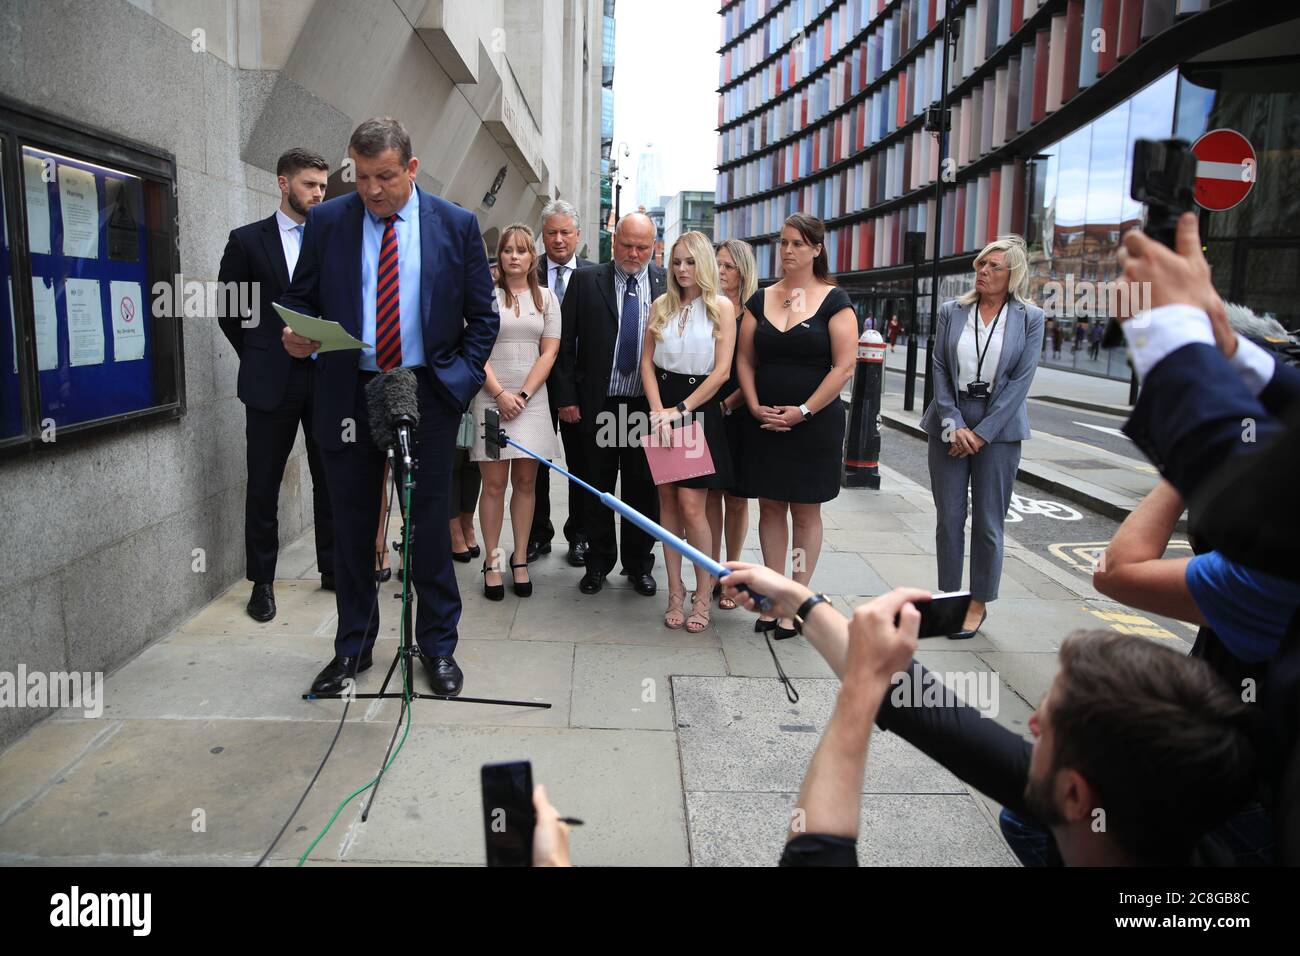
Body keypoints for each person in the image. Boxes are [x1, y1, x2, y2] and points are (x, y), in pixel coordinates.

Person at [720, 563, 1262, 866]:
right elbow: (934, 718)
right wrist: (802, 603)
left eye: (1046, 726)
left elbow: (818, 856)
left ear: (1075, 796)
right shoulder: (1166, 825)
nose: (1030, 725)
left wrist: (858, 693)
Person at [279, 117, 497, 698]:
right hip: (348, 388)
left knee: (428, 528)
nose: (373, 189)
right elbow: (300, 301)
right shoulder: (328, 222)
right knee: (351, 527)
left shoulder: (455, 225)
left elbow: (484, 319)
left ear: (412, 168)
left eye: (386, 176)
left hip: (427, 391)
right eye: (362, 175)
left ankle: (438, 648)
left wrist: (455, 385)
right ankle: (352, 648)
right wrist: (299, 337)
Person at [217, 148, 335, 623]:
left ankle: (333, 569)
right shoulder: (246, 241)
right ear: (283, 184)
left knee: (330, 476)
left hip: (325, 375)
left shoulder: (332, 239)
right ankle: (262, 583)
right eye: (310, 185)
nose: (319, 194)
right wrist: (262, 353)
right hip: (270, 381)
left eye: (324, 186)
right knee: (263, 482)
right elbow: (230, 310)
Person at [736, 214, 856, 639]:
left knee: (805, 513)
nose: (788, 252)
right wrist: (753, 406)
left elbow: (843, 368)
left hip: (813, 425)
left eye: (798, 245)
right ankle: (773, 597)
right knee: (770, 507)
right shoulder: (761, 299)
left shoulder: (835, 300)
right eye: (783, 243)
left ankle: (798, 601)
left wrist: (803, 410)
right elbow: (745, 360)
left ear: (816, 250)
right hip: (765, 422)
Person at [919, 235, 1044, 638]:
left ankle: (977, 603)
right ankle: (950, 598)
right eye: (981, 265)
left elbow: (1020, 382)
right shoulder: (952, 311)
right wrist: (955, 425)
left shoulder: (1030, 318)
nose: (984, 272)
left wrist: (983, 433)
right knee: (949, 518)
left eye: (994, 267)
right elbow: (939, 366)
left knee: (989, 522)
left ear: (1014, 275)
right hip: (949, 425)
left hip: (1000, 430)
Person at [551, 213, 667, 597]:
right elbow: (565, 344)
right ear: (613, 241)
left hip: (646, 408)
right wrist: (566, 397)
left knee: (643, 491)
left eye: (643, 247)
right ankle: (598, 564)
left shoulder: (666, 284)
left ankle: (638, 565)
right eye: (627, 245)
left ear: (655, 247)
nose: (634, 254)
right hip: (598, 404)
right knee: (596, 488)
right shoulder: (586, 280)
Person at [641, 231, 736, 632]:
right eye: (676, 261)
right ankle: (674, 592)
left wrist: (680, 411)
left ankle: (702, 593)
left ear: (704, 264)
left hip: (696, 408)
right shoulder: (660, 305)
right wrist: (658, 410)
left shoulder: (721, 307)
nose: (681, 269)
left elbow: (722, 372)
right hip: (663, 404)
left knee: (693, 507)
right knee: (667, 505)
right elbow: (645, 362)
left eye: (690, 262)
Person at [470, 224, 560, 600]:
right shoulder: (484, 297)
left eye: (521, 251)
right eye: (507, 250)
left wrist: (521, 394)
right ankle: (493, 559)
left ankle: (519, 558)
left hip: (533, 403)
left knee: (526, 484)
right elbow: (476, 350)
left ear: (532, 258)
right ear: (500, 256)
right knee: (492, 485)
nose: (514, 257)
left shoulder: (547, 299)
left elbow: (550, 351)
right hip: (491, 400)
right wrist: (500, 394)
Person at [528, 200, 595, 567]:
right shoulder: (525, 269)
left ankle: (579, 535)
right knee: (532, 464)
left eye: (565, 232)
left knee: (582, 465)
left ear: (578, 235)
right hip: (533, 386)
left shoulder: (594, 274)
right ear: (542, 235)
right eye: (551, 232)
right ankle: (538, 534)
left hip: (579, 390)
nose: (558, 239)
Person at [708, 238, 759, 611]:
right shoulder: (708, 306)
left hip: (739, 411)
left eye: (727, 266)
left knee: (737, 499)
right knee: (709, 493)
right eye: (718, 265)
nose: (721, 271)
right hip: (707, 407)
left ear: (742, 270)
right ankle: (710, 571)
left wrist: (730, 403)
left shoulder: (755, 311)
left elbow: (754, 368)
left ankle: (732, 572)